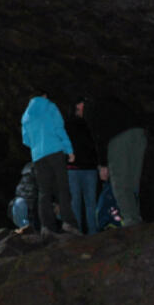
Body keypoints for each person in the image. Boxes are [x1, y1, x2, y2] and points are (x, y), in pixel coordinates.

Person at [20, 92, 80, 235]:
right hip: (55, 151)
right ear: (45, 96)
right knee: (62, 188)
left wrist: (37, 145)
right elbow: (59, 129)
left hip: (38, 157)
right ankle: (68, 223)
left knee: (44, 192)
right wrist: (69, 150)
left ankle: (46, 227)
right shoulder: (50, 107)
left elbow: (25, 140)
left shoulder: (26, 116)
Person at [88, 94, 146, 227]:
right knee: (132, 182)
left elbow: (99, 135)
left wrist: (103, 164)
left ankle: (130, 221)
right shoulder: (113, 102)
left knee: (120, 183)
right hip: (139, 134)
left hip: (118, 138)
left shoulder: (92, 109)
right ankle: (136, 218)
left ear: (80, 106)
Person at [65, 97, 100, 235]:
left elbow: (96, 144)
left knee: (91, 202)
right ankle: (77, 233)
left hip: (90, 169)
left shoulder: (91, 124)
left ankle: (93, 232)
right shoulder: (67, 124)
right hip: (73, 169)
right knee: (75, 203)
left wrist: (99, 163)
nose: (82, 109)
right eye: (80, 107)